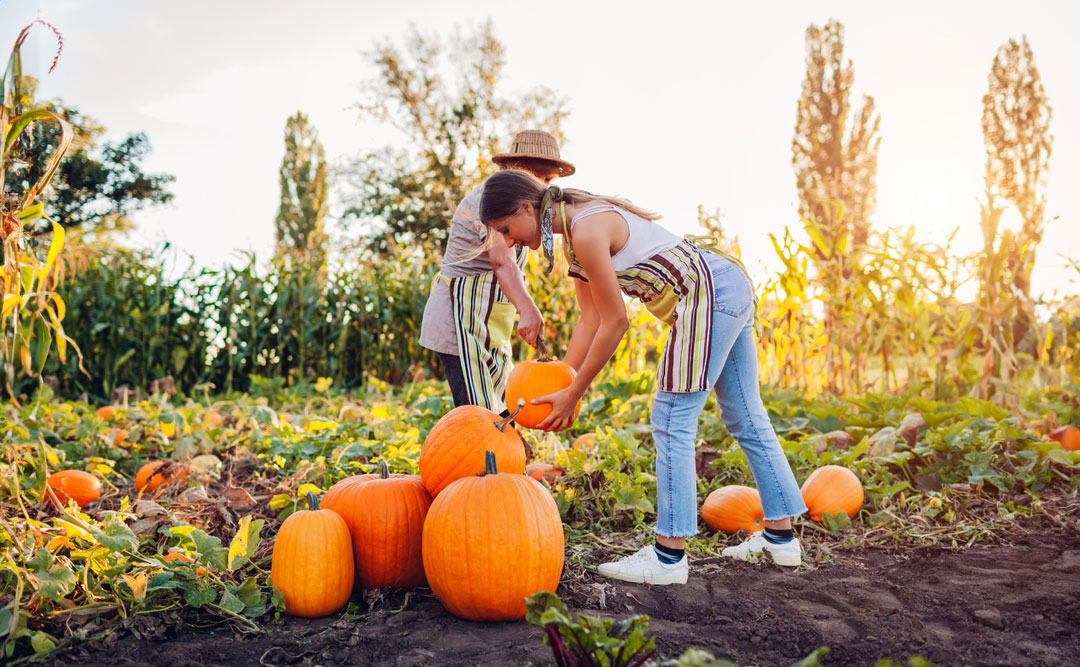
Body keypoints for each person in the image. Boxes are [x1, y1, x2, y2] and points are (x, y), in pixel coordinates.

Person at [478, 170, 809, 584]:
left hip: (707, 293)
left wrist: (574, 391)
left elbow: (616, 324)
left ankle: (668, 559)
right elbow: (591, 319)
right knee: (745, 415)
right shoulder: (575, 242)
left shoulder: (586, 229)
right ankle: (781, 539)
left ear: (526, 208)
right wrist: (562, 386)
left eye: (506, 229)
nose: (508, 242)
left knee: (671, 419)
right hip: (725, 283)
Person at [419, 131, 575, 415]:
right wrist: (528, 310)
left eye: (548, 180)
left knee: (504, 410)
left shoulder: (523, 207)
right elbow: (501, 260)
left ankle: (510, 461)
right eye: (537, 175)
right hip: (460, 319)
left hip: (491, 325)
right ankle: (477, 461)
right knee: (477, 415)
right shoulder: (490, 199)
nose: (542, 186)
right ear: (516, 168)